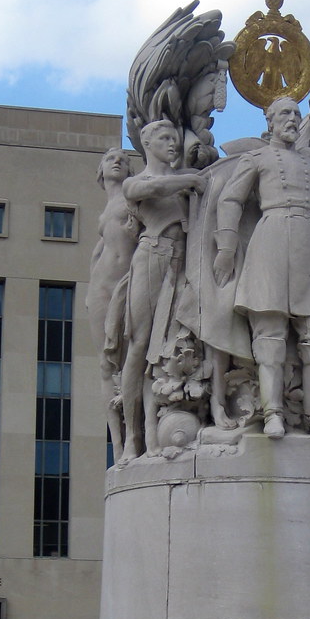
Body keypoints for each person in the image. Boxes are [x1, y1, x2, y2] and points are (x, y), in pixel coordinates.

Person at [213, 96, 310, 444]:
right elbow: (231, 199)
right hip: (269, 240)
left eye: (296, 114)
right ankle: (272, 414)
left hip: (307, 248)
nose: (292, 119)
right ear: (270, 122)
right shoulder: (257, 158)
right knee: (269, 336)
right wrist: (226, 246)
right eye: (285, 114)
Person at [118, 119, 207, 464]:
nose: (172, 144)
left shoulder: (184, 182)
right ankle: (134, 437)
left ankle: (164, 428)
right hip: (153, 255)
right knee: (140, 347)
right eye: (165, 138)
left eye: (175, 139)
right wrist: (190, 180)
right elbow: (148, 190)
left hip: (185, 264)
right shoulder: (137, 181)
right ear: (147, 144)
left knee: (165, 351)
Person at [86, 149, 140, 459]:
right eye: (110, 159)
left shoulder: (134, 196)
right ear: (101, 172)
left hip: (128, 285)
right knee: (107, 367)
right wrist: (88, 288)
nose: (117, 160)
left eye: (122, 158)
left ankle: (135, 436)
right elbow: (101, 249)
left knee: (135, 359)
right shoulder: (105, 211)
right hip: (101, 290)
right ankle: (118, 445)